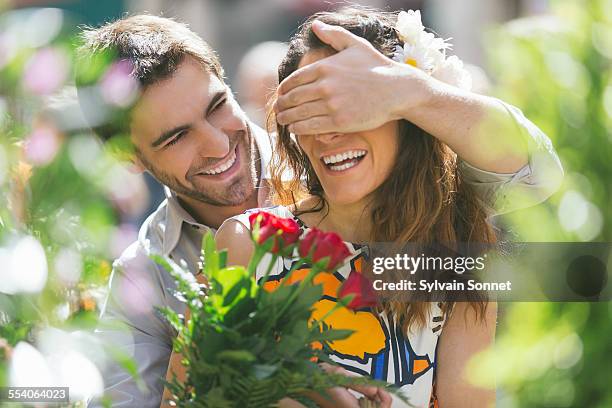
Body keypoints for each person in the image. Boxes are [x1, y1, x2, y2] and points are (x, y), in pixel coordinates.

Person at [78, 10, 562, 408]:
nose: (215, 144)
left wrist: (413, 92)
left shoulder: (455, 251)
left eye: (216, 106)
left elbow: (539, 175)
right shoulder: (225, 248)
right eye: (177, 136)